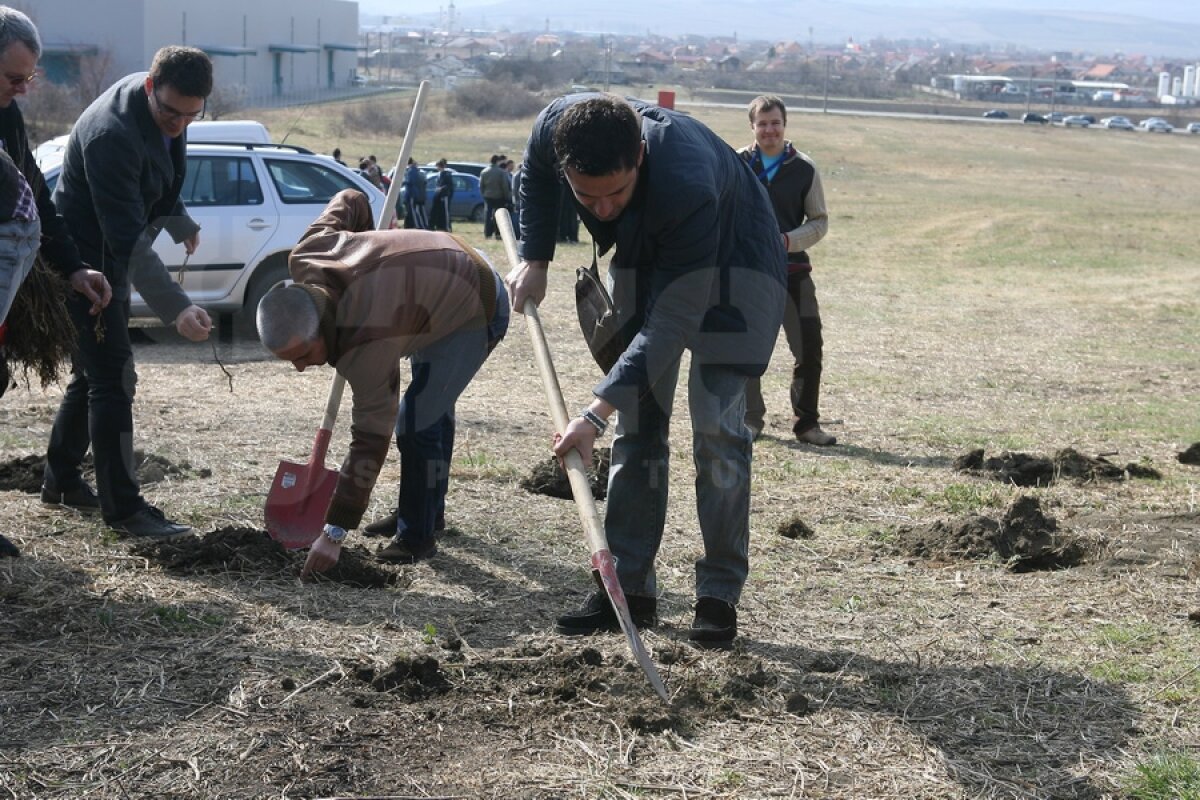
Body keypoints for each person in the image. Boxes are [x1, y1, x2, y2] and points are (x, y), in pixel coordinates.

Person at [507, 94, 786, 648]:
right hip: (645, 254)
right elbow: (534, 178)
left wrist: (593, 413)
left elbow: (672, 322)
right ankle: (628, 589)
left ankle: (718, 595)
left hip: (737, 269)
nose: (603, 209)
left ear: (639, 155)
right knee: (639, 424)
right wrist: (536, 258)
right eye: (589, 196)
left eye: (617, 192)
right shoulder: (555, 128)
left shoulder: (684, 179)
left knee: (717, 431)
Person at [257, 189, 509, 574]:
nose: (301, 369)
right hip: (431, 283)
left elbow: (370, 441)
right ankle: (423, 513)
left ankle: (417, 537)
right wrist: (365, 246)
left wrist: (335, 531)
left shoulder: (367, 344)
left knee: (418, 422)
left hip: (474, 303)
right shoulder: (308, 253)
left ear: (321, 331)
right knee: (428, 412)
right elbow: (351, 198)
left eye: (303, 356)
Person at [43, 45, 215, 539]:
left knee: (94, 376)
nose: (179, 124)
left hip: (109, 259)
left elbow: (161, 164)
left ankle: (61, 480)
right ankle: (125, 510)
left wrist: (178, 218)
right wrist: (176, 308)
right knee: (113, 381)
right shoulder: (109, 136)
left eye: (190, 115)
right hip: (81, 262)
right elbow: (125, 241)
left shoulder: (167, 102)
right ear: (148, 88)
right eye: (171, 112)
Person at [0, 6, 112, 558]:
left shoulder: (8, 120)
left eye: (29, 79)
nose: (22, 90)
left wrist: (73, 268)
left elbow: (37, 202)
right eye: (12, 78)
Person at [739, 95, 835, 446]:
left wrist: (787, 241)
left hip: (793, 272)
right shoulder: (737, 164)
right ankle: (750, 419)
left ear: (784, 124)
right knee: (746, 349)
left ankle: (806, 425)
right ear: (752, 127)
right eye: (762, 123)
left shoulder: (804, 168)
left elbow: (819, 222)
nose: (769, 129)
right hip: (749, 276)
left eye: (775, 122)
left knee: (809, 349)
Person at [478, 154, 511, 240]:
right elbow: (504, 186)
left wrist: (484, 194)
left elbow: (481, 186)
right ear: (497, 161)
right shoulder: (501, 172)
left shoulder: (484, 172)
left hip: (488, 196)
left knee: (488, 215)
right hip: (499, 197)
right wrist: (507, 197)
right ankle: (498, 233)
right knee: (499, 216)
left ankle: (487, 233)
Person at [401, 157, 428, 230]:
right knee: (414, 211)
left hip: (411, 194)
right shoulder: (416, 171)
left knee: (413, 211)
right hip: (415, 194)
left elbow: (410, 182)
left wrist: (403, 181)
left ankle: (417, 225)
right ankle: (417, 224)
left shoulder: (411, 171)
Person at [428, 158, 454, 232]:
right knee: (439, 211)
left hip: (444, 195)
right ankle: (440, 225)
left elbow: (449, 185)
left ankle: (447, 227)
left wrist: (441, 188)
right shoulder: (439, 174)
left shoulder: (447, 174)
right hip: (439, 195)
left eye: (438, 166)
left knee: (446, 212)